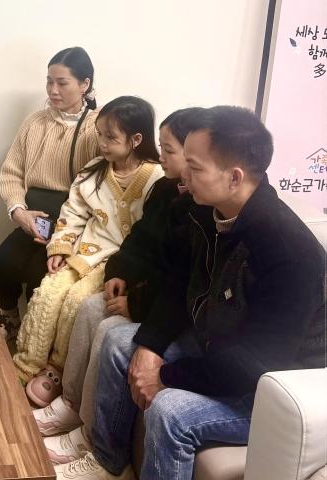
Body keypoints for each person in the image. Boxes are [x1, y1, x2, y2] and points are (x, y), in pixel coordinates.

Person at [53, 106, 326, 480]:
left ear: (234, 177)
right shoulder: (204, 213)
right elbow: (179, 284)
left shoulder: (289, 250)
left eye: (195, 167)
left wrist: (167, 376)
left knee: (170, 413)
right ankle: (107, 461)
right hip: (220, 346)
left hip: (277, 388)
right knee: (120, 343)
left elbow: (258, 363)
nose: (184, 175)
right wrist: (150, 348)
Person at [30, 107, 199, 464]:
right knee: (91, 307)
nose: (161, 155)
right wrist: (119, 272)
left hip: (171, 310)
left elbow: (181, 281)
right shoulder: (168, 190)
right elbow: (141, 241)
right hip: (150, 291)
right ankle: (71, 403)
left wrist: (135, 303)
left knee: (109, 329)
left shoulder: (199, 206)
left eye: (168, 149)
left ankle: (90, 435)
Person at [13, 96, 164, 407]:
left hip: (119, 263)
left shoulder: (156, 179)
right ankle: (26, 363)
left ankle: (57, 368)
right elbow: (73, 213)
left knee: (76, 301)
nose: (102, 143)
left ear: (136, 139)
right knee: (49, 291)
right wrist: (60, 246)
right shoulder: (93, 171)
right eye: (100, 134)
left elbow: (152, 236)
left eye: (111, 137)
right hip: (86, 251)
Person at [0, 46, 101, 339]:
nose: (53, 90)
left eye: (62, 83)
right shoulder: (34, 122)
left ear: (85, 84)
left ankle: (36, 336)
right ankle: (9, 317)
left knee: (38, 274)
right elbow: (11, 173)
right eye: (49, 81)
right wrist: (19, 212)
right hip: (33, 217)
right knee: (3, 260)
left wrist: (69, 233)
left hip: (71, 223)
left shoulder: (98, 127)